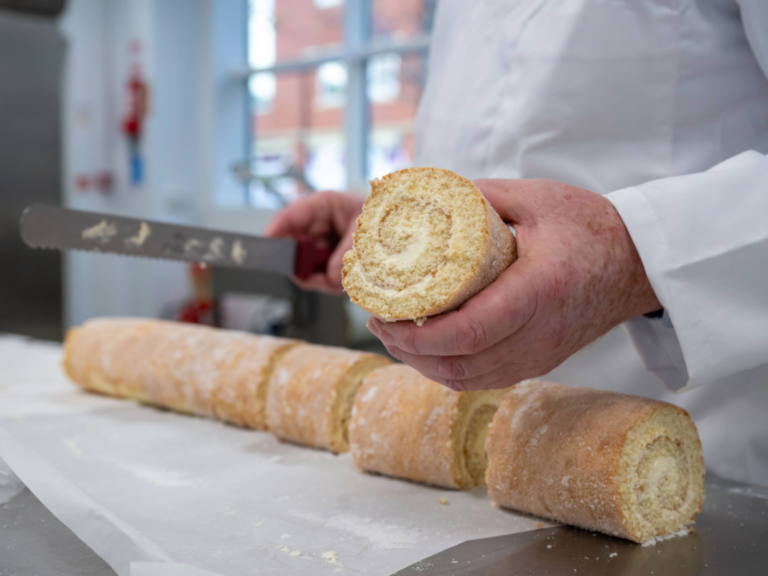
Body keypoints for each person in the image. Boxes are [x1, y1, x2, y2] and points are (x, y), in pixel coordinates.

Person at [266, 0, 768, 487]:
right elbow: (502, 145)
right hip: (466, 451)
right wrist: (401, 235)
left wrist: (636, 254)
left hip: (689, 441)